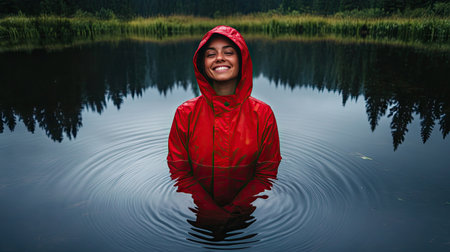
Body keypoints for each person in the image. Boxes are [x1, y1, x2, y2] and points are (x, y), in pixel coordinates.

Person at [167, 26, 281, 221]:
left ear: (241, 60)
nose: (219, 58)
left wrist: (235, 210)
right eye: (211, 54)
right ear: (203, 65)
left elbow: (266, 174)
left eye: (229, 52)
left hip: (244, 216)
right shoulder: (185, 114)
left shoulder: (263, 114)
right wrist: (209, 210)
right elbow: (180, 172)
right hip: (198, 215)